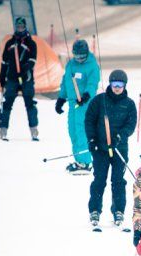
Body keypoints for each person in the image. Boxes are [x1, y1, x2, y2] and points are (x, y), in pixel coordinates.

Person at [84, 69, 137, 229]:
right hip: (100, 149)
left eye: (120, 84)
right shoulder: (99, 101)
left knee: (118, 181)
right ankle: (94, 210)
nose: (117, 87)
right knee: (99, 180)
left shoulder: (129, 104)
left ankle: (118, 210)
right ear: (110, 84)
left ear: (125, 85)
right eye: (114, 84)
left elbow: (131, 125)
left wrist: (120, 136)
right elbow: (89, 121)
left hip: (119, 149)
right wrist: (92, 140)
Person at [55, 39, 99, 174]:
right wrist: (61, 98)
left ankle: (86, 162)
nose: (79, 59)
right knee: (72, 131)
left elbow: (93, 83)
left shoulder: (92, 66)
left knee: (82, 132)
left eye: (82, 56)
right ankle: (79, 160)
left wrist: (86, 95)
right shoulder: (70, 65)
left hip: (84, 103)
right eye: (77, 56)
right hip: (73, 104)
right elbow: (66, 82)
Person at [0, 17, 38, 141]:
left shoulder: (31, 43)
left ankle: (34, 130)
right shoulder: (10, 43)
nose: (20, 28)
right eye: (18, 26)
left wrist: (26, 68)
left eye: (22, 26)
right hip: (12, 78)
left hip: (26, 78)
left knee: (30, 104)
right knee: (7, 103)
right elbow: (4, 62)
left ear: (25, 27)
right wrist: (2, 76)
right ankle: (3, 129)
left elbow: (33, 60)